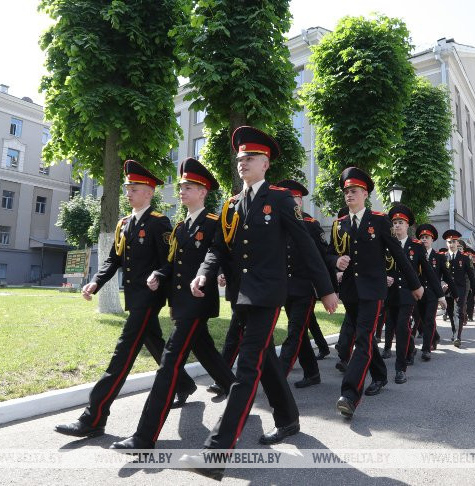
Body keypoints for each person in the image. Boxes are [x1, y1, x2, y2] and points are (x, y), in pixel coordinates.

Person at [180, 126, 338, 480]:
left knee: (247, 367)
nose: (242, 163)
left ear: (265, 163)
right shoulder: (232, 204)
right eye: (239, 159)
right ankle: (288, 418)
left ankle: (215, 453)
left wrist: (325, 288)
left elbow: (306, 245)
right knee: (264, 358)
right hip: (240, 295)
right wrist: (205, 273)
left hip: (268, 294)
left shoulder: (280, 199)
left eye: (249, 158)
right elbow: (218, 247)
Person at [55, 160, 196, 439]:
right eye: (128, 187)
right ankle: (184, 383)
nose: (129, 192)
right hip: (134, 297)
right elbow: (113, 260)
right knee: (154, 341)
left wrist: (158, 273)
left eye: (135, 188)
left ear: (149, 193)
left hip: (149, 298)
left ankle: (93, 417)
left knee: (122, 355)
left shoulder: (159, 223)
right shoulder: (124, 224)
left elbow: (170, 260)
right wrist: (96, 281)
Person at [110, 158, 235, 450]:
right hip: (181, 304)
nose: (182, 191)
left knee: (168, 364)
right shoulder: (180, 228)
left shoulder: (213, 224)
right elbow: (169, 264)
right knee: (205, 349)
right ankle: (236, 389)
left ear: (203, 192)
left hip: (198, 303)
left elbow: (216, 255)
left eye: (188, 187)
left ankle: (144, 436)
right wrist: (158, 274)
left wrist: (211, 274)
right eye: (181, 187)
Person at [327, 167, 422, 418]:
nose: (349, 195)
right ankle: (380, 375)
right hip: (350, 291)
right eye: (346, 191)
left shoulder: (379, 221)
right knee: (366, 339)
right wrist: (336, 261)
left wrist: (415, 284)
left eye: (354, 191)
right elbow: (327, 253)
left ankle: (349, 395)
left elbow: (399, 255)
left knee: (363, 338)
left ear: (365, 194)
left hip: (373, 290)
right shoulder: (339, 224)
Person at [275, 179, 331, 389]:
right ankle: (312, 372)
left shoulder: (311, 224)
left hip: (305, 289)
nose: (293, 202)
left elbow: (323, 257)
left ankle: (278, 377)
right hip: (284, 288)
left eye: (296, 198)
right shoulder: (278, 224)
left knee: (294, 331)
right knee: (300, 333)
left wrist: (328, 289)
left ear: (301, 201)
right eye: (289, 198)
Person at [380, 205, 444, 383]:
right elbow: (379, 266)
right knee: (395, 327)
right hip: (390, 294)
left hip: (408, 294)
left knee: (402, 327)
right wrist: (385, 276)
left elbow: (429, 272)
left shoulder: (415, 246)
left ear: (407, 225)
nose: (397, 226)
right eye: (394, 223)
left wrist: (440, 295)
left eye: (400, 222)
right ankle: (410, 349)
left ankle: (400, 369)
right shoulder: (386, 244)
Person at [414, 223, 451, 357]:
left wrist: (451, 292)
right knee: (423, 320)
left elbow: (446, 275)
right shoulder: (415, 255)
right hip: (418, 293)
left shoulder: (439, 256)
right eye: (422, 237)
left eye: (427, 237)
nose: (424, 239)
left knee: (429, 319)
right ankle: (434, 336)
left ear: (432, 240)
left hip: (432, 294)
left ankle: (426, 349)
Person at [443, 231, 475, 347]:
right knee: (450, 312)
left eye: (454, 242)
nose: (451, 244)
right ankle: (454, 330)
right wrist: (442, 283)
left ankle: (458, 336)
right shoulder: (443, 257)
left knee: (459, 312)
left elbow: (471, 276)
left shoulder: (464, 258)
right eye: (449, 242)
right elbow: (438, 274)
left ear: (457, 242)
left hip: (460, 288)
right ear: (446, 243)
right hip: (447, 289)